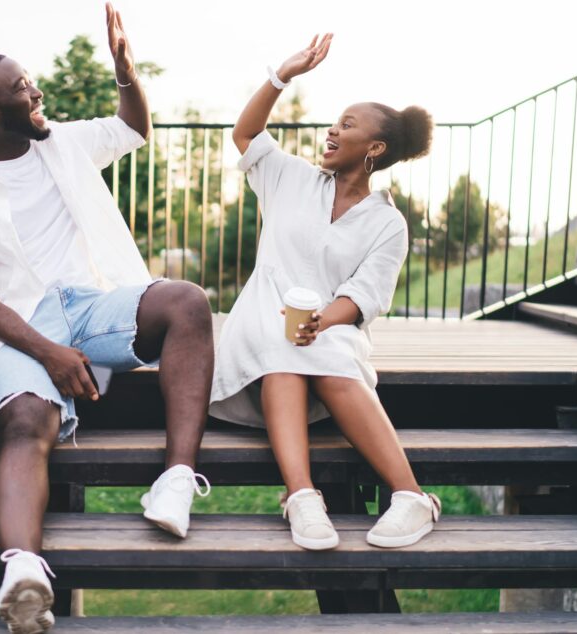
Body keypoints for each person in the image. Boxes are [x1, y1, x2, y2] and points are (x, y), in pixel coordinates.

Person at [0, 5, 213, 632]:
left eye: (30, 80)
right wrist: (50, 353)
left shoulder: (62, 142)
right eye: (21, 87)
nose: (36, 91)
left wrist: (127, 73)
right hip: (19, 327)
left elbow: (132, 129)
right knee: (24, 418)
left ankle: (177, 480)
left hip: (91, 305)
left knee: (186, 300)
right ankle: (24, 569)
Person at [209, 34, 441, 552]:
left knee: (321, 350)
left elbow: (363, 295)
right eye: (336, 121)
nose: (332, 131)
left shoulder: (388, 224)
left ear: (375, 148)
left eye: (347, 125)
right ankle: (302, 497)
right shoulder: (289, 178)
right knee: (279, 348)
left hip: (328, 328)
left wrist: (324, 323)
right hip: (262, 324)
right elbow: (246, 135)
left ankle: (410, 497)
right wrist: (282, 76)